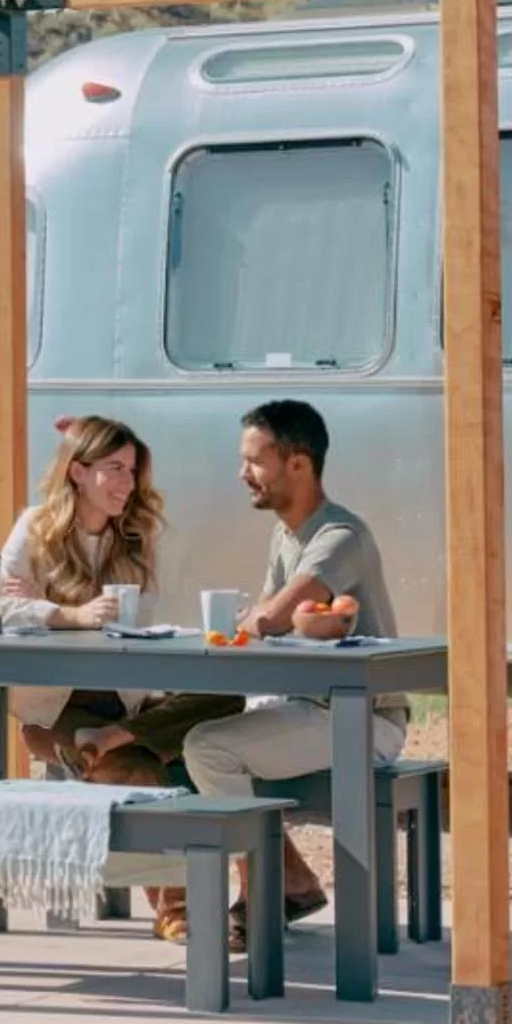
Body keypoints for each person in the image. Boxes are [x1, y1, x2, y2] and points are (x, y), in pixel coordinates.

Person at [0, 414, 245, 942]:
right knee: (140, 764)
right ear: (78, 472)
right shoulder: (35, 529)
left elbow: (139, 626)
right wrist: (70, 615)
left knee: (225, 701)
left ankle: (115, 737)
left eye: (132, 471)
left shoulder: (134, 538)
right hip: (54, 712)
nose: (128, 483)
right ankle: (179, 910)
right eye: (115, 469)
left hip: (126, 702)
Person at [181, 399, 409, 942]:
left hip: (363, 716)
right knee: (193, 738)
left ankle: (261, 893)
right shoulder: (286, 535)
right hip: (313, 708)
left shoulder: (338, 537)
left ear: (298, 464)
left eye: (255, 462)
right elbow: (265, 618)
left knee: (207, 748)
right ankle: (290, 879)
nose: (243, 475)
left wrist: (249, 621)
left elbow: (272, 615)